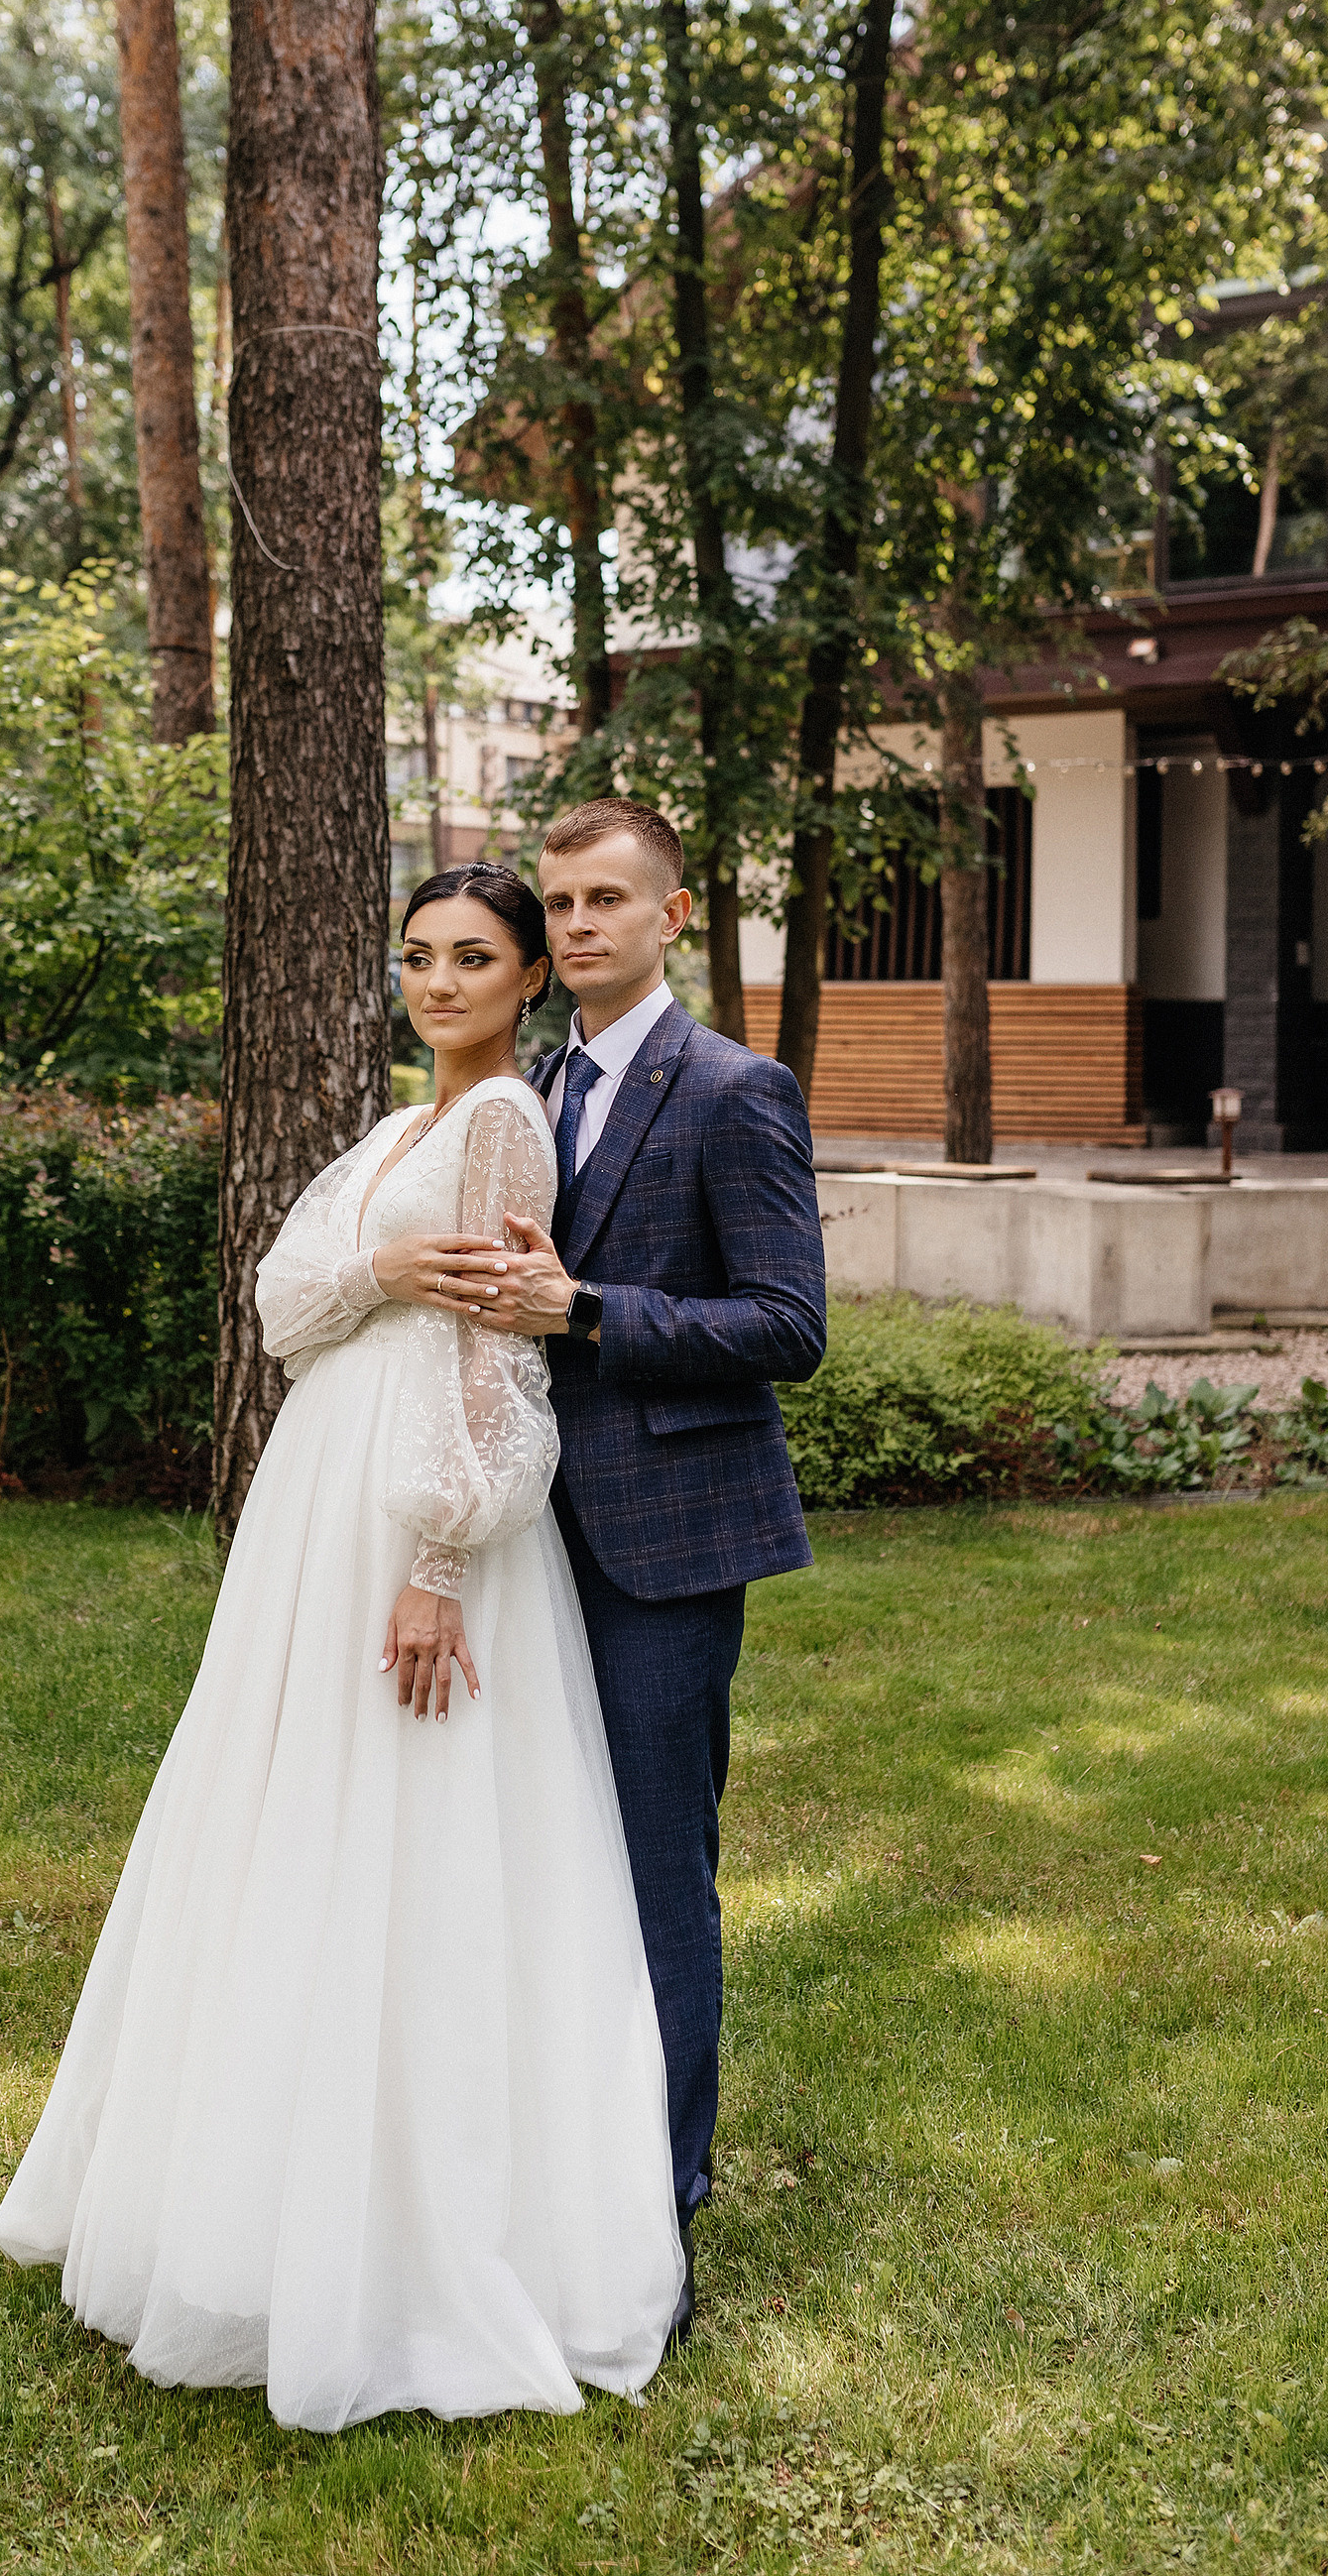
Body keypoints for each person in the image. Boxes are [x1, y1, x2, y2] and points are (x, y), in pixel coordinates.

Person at [0, 863, 682, 2432]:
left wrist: (443, 1551)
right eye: (422, 957)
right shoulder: (397, 1132)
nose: (440, 985)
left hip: (408, 1518)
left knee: (410, 1836)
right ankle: (266, 2192)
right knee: (288, 1820)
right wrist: (373, 1268)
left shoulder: (504, 1121)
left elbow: (496, 1361)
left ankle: (415, 2236)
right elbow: (280, 1301)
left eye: (476, 961)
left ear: (525, 987)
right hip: (322, 1504)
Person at [434, 798, 827, 2339]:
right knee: (543, 1868)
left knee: (659, 1877)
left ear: (672, 917)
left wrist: (588, 1312)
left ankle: (658, 2219)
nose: (581, 923)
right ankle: (555, 2174)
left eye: (610, 900)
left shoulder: (735, 1090)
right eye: (562, 902)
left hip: (667, 1550)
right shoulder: (528, 1086)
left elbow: (789, 1326)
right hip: (532, 1544)